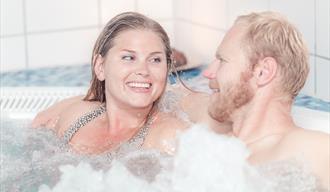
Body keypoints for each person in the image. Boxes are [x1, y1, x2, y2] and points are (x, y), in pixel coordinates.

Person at [197, 11, 329, 189]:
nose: (208, 73)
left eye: (222, 60)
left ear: (263, 72)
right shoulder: (210, 137)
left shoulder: (312, 149)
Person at [32, 12, 188, 155]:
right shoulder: (76, 117)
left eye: (155, 60)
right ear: (100, 67)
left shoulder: (169, 138)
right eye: (128, 58)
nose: (143, 70)